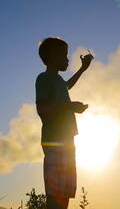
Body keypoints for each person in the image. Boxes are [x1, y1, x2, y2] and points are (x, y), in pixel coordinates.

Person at [35, 37, 93, 209]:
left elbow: (67, 85)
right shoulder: (43, 78)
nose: (68, 59)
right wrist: (70, 106)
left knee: (65, 192)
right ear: (53, 56)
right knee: (55, 192)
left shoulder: (59, 81)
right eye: (65, 55)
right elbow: (42, 110)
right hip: (55, 141)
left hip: (67, 141)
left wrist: (83, 69)